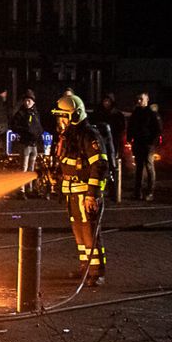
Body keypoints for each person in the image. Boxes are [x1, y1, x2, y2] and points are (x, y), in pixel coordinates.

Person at [50, 92, 109, 286]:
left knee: (90, 232)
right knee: (79, 232)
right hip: (72, 192)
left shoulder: (88, 135)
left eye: (63, 116)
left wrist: (92, 195)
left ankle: (97, 272)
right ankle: (85, 268)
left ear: (74, 115)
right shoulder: (68, 137)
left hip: (85, 192)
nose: (60, 120)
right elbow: (66, 163)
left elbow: (99, 165)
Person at [88, 93, 126, 201]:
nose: (106, 103)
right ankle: (102, 190)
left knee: (113, 167)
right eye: (105, 101)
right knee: (101, 166)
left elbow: (121, 129)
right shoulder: (98, 113)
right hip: (100, 143)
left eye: (108, 101)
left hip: (113, 143)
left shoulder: (117, 115)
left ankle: (114, 191)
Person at [126, 92, 162, 201]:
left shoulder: (151, 113)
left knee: (149, 166)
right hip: (138, 143)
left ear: (147, 99)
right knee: (139, 168)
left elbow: (158, 129)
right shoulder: (136, 113)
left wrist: (152, 141)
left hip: (148, 144)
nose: (139, 101)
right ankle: (138, 192)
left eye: (141, 99)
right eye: (138, 99)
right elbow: (131, 126)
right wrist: (129, 138)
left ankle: (150, 192)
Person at [9, 89, 43, 197]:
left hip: (34, 144)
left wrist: (38, 134)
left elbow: (39, 126)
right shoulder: (21, 113)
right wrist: (25, 131)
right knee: (23, 167)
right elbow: (14, 126)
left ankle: (30, 189)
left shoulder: (35, 112)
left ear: (33, 101)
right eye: (26, 100)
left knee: (31, 168)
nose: (27, 103)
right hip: (25, 144)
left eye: (29, 100)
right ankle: (22, 190)